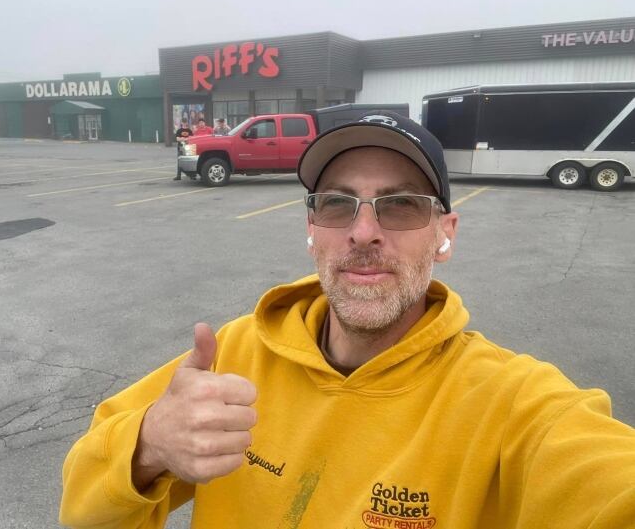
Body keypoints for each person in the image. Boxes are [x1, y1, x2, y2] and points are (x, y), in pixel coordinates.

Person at [60, 112, 635, 528]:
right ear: (311, 230)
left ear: (445, 236)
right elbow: (84, 506)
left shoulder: (513, 405)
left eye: (402, 205)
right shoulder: (237, 353)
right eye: (338, 204)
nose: (363, 232)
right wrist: (148, 447)